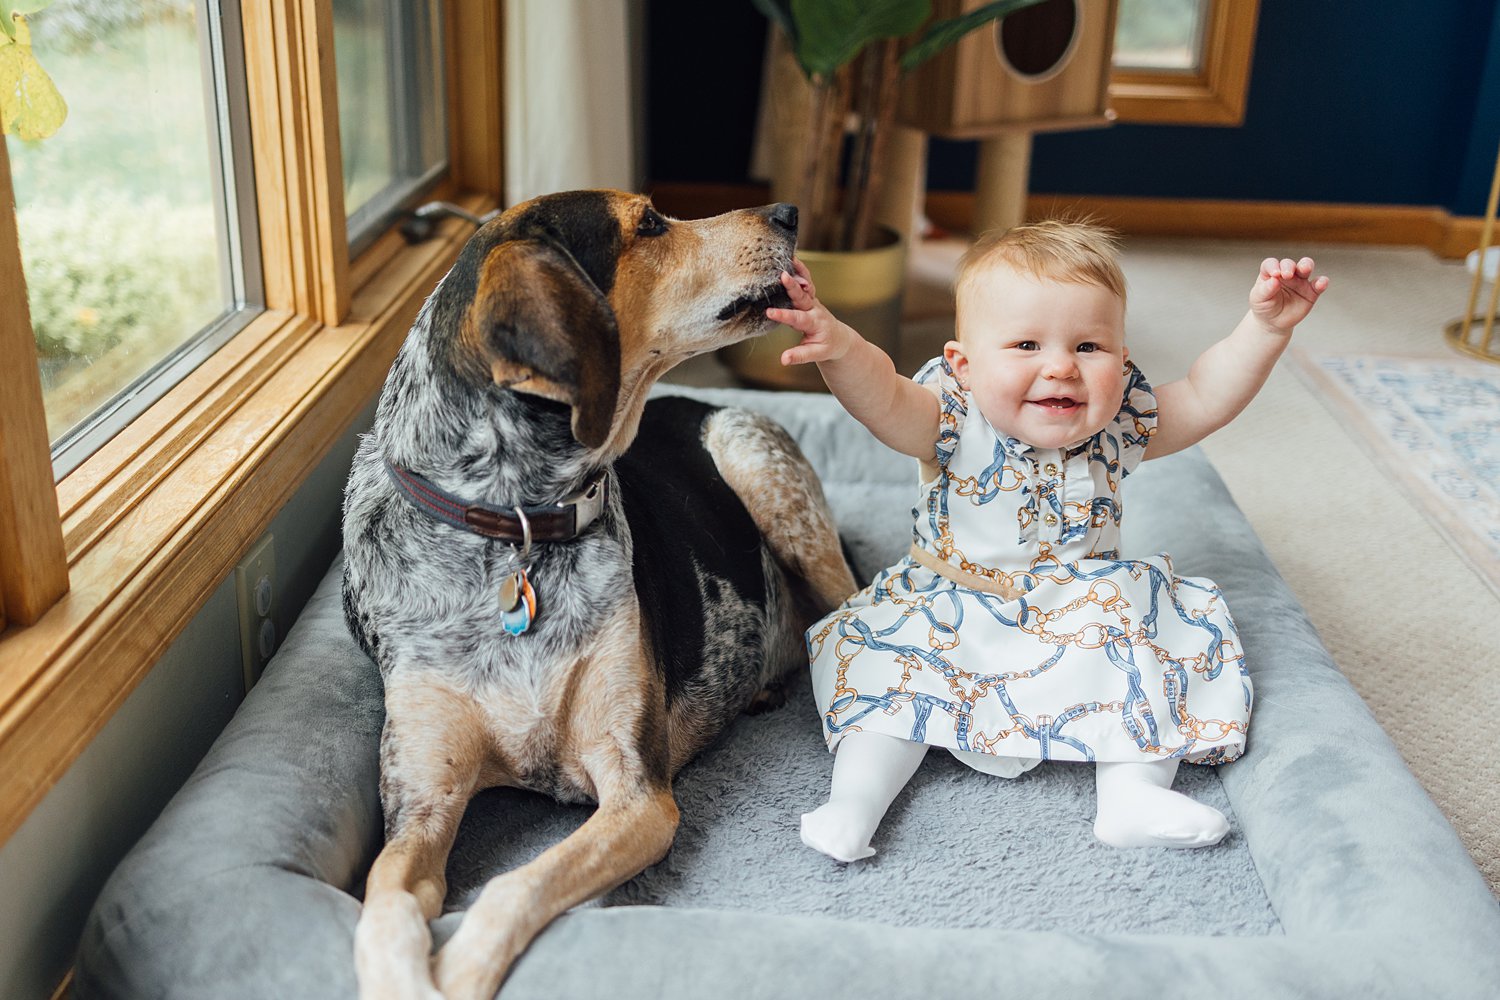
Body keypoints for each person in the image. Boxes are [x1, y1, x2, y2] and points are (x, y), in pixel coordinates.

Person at [765, 220, 1328, 862]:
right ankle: (854, 804)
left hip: (1079, 610)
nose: (1060, 366)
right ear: (964, 367)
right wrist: (837, 343)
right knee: (890, 679)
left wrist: (1265, 329)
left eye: (1089, 346)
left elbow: (1204, 394)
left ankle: (1131, 797)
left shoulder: (1119, 427)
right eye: (1027, 344)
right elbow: (881, 393)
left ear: (1121, 360)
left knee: (1149, 647)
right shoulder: (950, 418)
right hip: (952, 606)